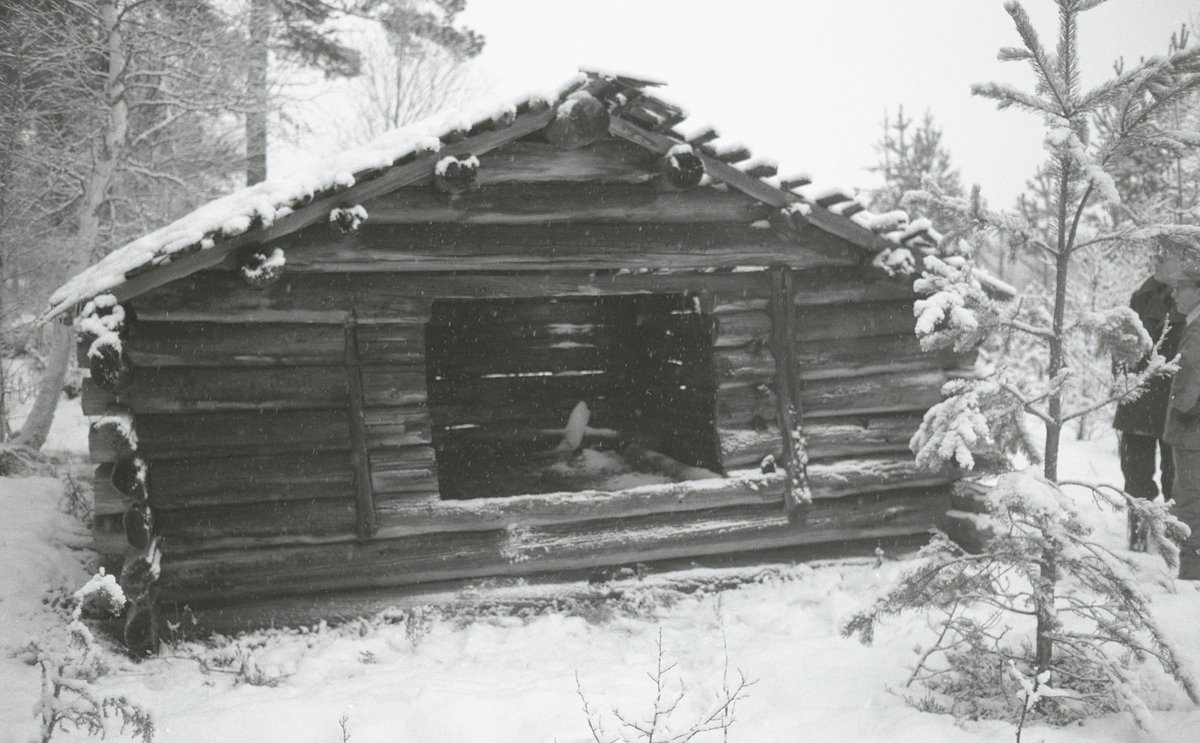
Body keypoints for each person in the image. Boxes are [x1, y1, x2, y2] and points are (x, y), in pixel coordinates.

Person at [1112, 266, 1185, 549]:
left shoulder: (1192, 297)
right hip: (1139, 403)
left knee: (1177, 478)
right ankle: (1139, 537)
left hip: (1179, 405)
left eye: (1165, 255)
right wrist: (1124, 382)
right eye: (1155, 253)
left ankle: (1175, 542)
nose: (1157, 260)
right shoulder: (1141, 297)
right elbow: (1122, 346)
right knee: (1136, 475)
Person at [1161, 260, 1200, 580]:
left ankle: (1191, 573)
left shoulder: (1197, 329)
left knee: (1189, 499)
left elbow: (1189, 381)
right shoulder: (1193, 323)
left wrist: (1181, 412)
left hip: (1192, 432)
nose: (1174, 294)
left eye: (1181, 288)